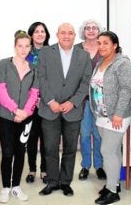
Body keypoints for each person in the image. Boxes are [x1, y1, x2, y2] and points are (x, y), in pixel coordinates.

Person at [37, 23, 92, 197]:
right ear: (57, 34)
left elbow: (85, 82)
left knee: (69, 149)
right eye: (63, 33)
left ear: (75, 35)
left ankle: (65, 182)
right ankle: (52, 181)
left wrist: (73, 102)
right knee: (50, 148)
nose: (66, 36)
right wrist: (51, 101)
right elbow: (41, 78)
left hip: (72, 111)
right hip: (49, 109)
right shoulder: (46, 52)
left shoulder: (84, 56)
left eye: (70, 33)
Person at [90, 31, 131, 205]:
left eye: (105, 43)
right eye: (99, 43)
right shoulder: (101, 62)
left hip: (117, 116)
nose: (101, 46)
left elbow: (127, 89)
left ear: (115, 45)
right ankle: (113, 183)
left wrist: (118, 113)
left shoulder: (122, 63)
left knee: (107, 151)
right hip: (102, 115)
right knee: (113, 152)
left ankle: (112, 192)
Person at [0, 30, 38, 203]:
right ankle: (6, 187)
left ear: (31, 48)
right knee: (7, 153)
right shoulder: (4, 64)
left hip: (26, 119)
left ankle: (16, 186)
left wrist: (25, 112)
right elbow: (1, 90)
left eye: (27, 46)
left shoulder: (34, 69)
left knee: (20, 153)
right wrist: (15, 110)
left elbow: (35, 93)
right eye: (20, 46)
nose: (23, 49)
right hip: (7, 117)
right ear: (14, 46)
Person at [76, 19, 106, 181]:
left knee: (99, 134)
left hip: (101, 99)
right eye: (88, 28)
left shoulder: (104, 47)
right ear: (83, 31)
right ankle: (85, 165)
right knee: (85, 134)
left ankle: (99, 166)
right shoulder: (76, 49)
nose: (91, 30)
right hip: (82, 100)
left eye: (95, 28)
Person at [25, 21, 50, 184]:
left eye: (43, 31)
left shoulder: (52, 52)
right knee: (32, 138)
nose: (40, 34)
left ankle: (45, 170)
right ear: (31, 35)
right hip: (29, 103)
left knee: (47, 138)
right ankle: (32, 170)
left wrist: (46, 97)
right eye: (36, 31)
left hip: (48, 102)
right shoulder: (25, 52)